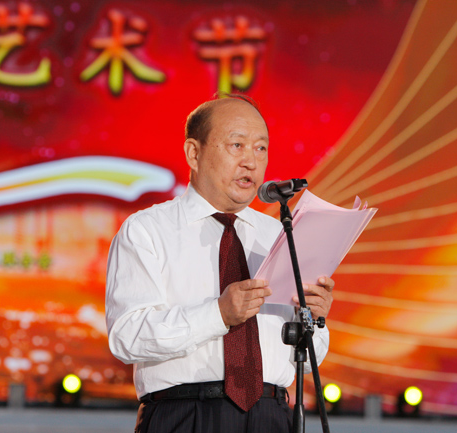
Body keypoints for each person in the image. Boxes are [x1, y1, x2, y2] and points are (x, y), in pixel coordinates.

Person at [105, 95, 334, 433]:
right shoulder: (147, 230)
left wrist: (314, 318)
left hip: (271, 415)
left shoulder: (279, 234)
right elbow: (127, 337)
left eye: (260, 148)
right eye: (236, 145)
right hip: (185, 415)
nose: (251, 162)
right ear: (193, 153)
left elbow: (310, 356)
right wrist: (219, 314)